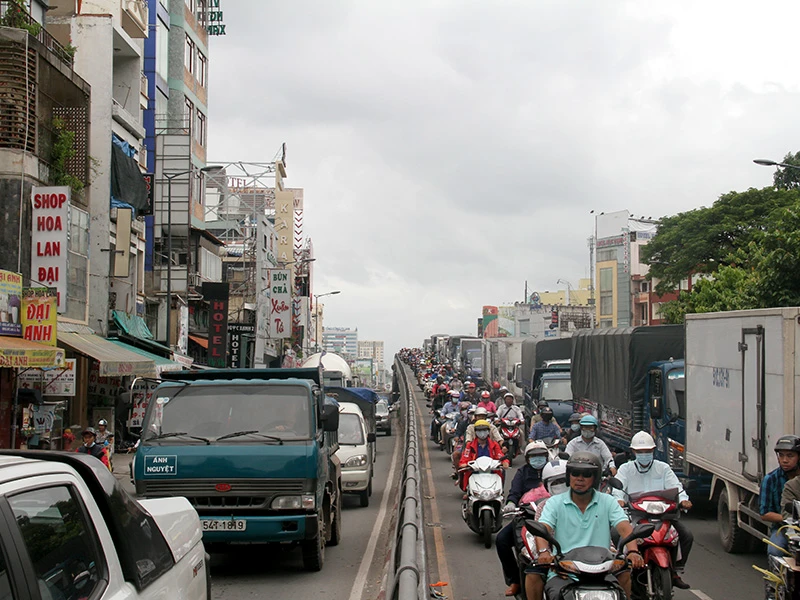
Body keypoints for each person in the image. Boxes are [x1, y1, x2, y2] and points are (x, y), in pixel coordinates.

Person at [533, 452, 643, 600]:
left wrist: (633, 551)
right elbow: (543, 529)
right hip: (564, 571)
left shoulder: (608, 501)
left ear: (595, 478)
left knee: (623, 581)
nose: (580, 478)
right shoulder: (554, 503)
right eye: (575, 473)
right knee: (550, 590)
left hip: (603, 571)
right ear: (569, 476)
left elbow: (624, 527)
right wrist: (543, 552)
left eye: (586, 474)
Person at [612, 431, 693, 589]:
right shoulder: (626, 469)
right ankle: (620, 569)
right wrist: (619, 500)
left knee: (686, 535)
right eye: (640, 452)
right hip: (635, 515)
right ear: (633, 451)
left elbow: (676, 487)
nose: (644, 455)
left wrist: (684, 500)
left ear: (653, 450)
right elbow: (618, 489)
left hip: (663, 515)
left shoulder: (663, 468)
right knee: (616, 534)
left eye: (647, 451)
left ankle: (676, 571)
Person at [496, 441, 549, 596]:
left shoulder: (551, 471)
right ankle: (515, 580)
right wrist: (511, 503)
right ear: (527, 459)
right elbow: (515, 492)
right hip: (526, 517)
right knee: (502, 540)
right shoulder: (522, 472)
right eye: (534, 456)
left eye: (541, 456)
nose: (538, 459)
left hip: (550, 516)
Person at [760, 435, 800, 556]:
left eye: (790, 456)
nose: (784, 460)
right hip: (782, 527)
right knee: (775, 550)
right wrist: (793, 520)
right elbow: (764, 513)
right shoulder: (770, 479)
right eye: (781, 455)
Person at [458, 419, 509, 490]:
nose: (482, 432)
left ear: (488, 431)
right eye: (479, 430)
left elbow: (500, 455)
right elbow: (465, 458)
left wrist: (505, 462)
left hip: (491, 471)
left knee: (501, 472)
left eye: (484, 430)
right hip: (475, 472)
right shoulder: (470, 445)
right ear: (475, 432)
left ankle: (501, 491)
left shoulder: (494, 445)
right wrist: (464, 464)